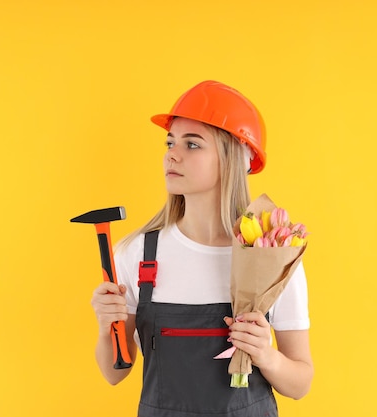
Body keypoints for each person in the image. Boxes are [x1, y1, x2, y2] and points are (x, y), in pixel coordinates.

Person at [91, 80, 313, 417]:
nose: (172, 154)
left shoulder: (270, 256)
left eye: (192, 144)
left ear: (233, 158)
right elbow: (114, 373)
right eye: (170, 142)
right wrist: (107, 327)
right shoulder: (138, 254)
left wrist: (266, 355)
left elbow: (300, 383)